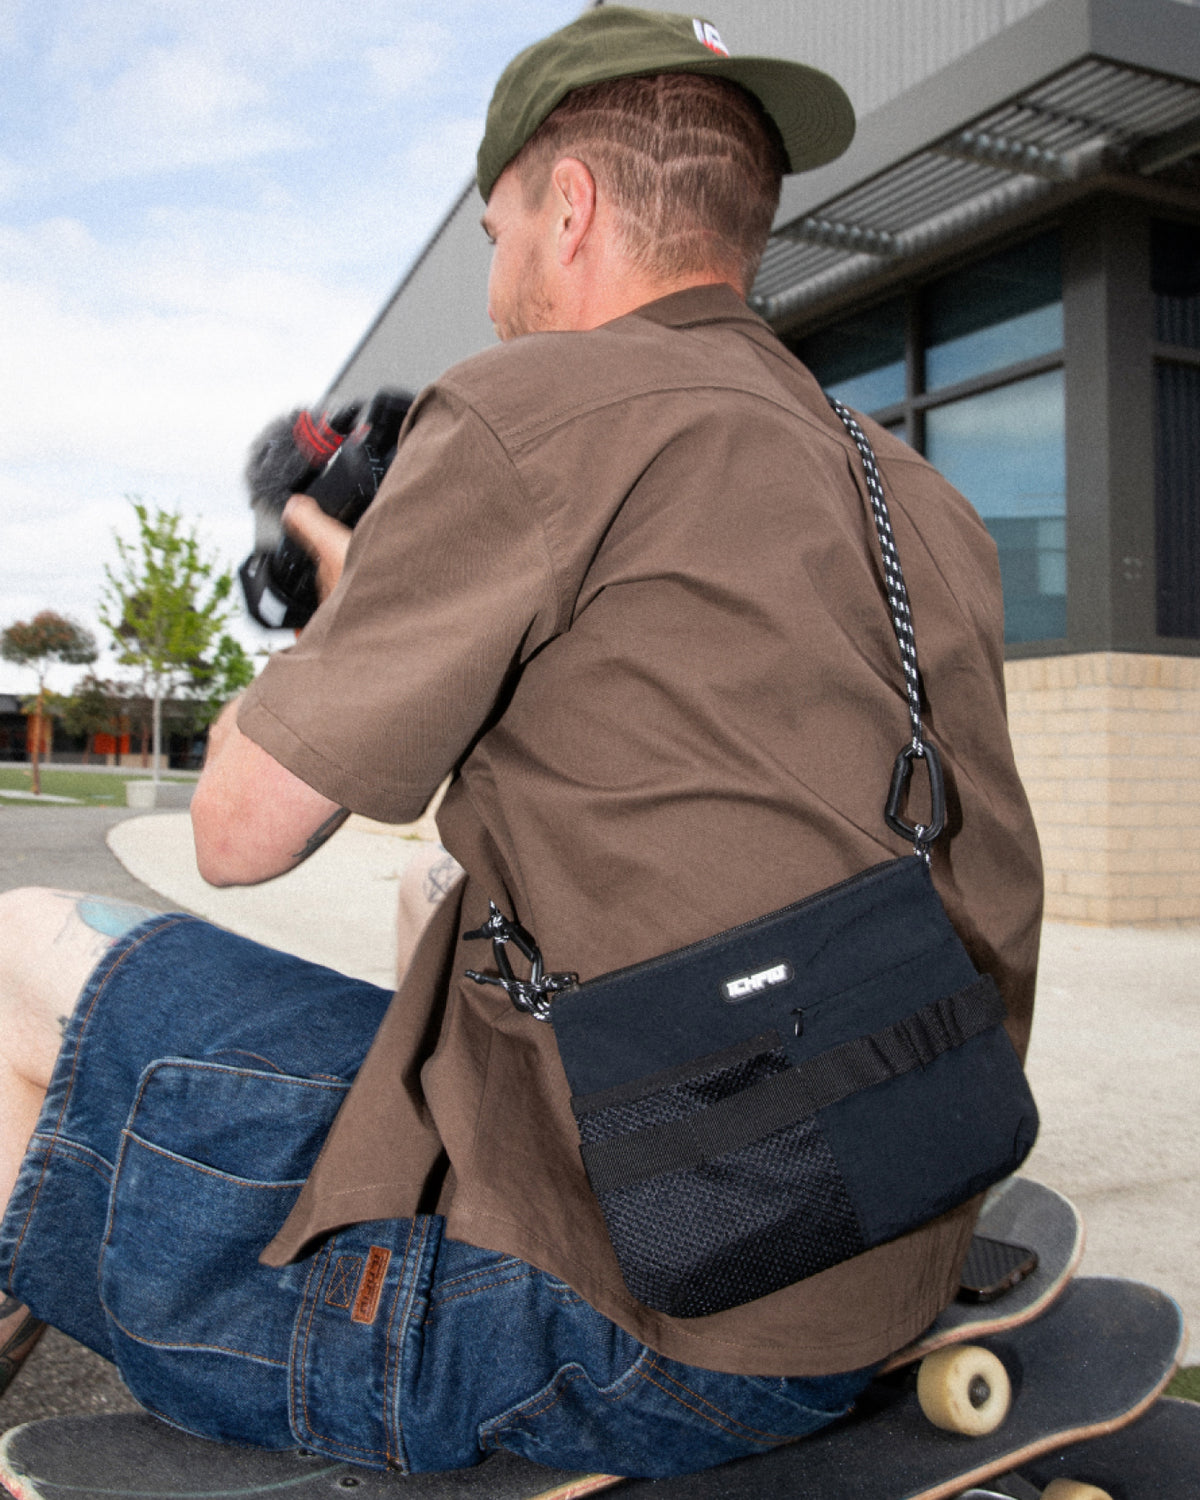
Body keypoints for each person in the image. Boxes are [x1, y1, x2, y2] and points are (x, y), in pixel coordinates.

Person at [0, 7, 1042, 1479]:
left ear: (569, 209)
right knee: (424, 913)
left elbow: (239, 836)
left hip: (635, 1320)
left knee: (19, 950)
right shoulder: (909, 493)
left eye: (496, 234)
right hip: (875, 1247)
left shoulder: (527, 411)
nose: (492, 294)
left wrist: (345, 629)